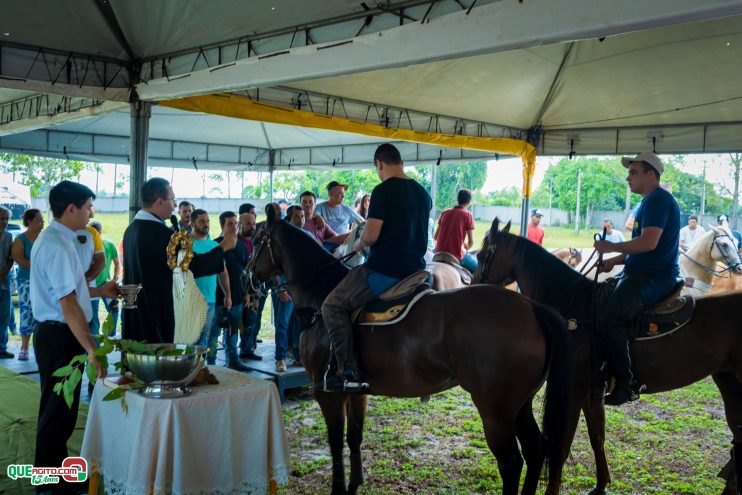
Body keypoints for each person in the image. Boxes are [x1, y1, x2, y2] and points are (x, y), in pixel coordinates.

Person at [29, 181, 118, 493]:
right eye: (87, 207)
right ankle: (49, 486)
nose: (90, 212)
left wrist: (98, 290)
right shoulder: (56, 243)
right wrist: (91, 348)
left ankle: (57, 479)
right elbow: (66, 303)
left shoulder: (61, 239)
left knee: (63, 412)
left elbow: (69, 292)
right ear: (71, 209)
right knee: (56, 412)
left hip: (63, 333)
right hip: (60, 336)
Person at [321, 144, 431, 392]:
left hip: (385, 271)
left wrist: (359, 244)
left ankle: (348, 372)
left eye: (377, 168)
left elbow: (371, 235)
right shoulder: (423, 193)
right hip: (416, 272)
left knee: (332, 306)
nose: (378, 172)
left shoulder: (383, 191)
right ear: (400, 162)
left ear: (380, 163)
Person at [594, 152, 680, 406]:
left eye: (633, 172)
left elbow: (649, 242)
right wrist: (616, 261)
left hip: (655, 276)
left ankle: (626, 382)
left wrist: (611, 247)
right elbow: (644, 248)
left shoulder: (657, 201)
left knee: (612, 315)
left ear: (650, 174)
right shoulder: (648, 202)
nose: (628, 177)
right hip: (640, 271)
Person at [122, 178, 236, 343]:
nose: (174, 205)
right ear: (159, 201)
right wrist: (223, 247)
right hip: (155, 315)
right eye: (172, 200)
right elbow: (193, 266)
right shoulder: (158, 233)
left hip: (138, 312)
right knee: (155, 362)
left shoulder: (132, 229)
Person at [190, 209, 230, 363]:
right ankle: (191, 372)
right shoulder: (186, 244)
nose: (206, 224)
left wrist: (228, 294)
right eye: (202, 221)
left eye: (207, 221)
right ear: (193, 223)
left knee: (204, 340)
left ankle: (202, 369)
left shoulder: (214, 245)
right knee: (193, 340)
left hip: (211, 301)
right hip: (192, 302)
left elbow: (223, 272)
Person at [213, 211, 249, 371]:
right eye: (230, 223)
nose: (234, 226)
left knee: (232, 332)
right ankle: (210, 363)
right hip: (217, 299)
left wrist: (247, 293)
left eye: (236, 223)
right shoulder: (216, 245)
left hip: (237, 297)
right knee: (213, 334)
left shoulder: (241, 246)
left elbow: (245, 271)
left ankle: (233, 361)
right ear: (222, 226)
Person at [11, 208, 44, 360]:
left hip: (44, 282)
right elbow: (19, 259)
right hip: (26, 281)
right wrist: (40, 268)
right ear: (29, 221)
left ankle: (40, 347)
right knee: (26, 312)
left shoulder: (45, 238)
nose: (42, 222)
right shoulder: (20, 239)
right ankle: (24, 347)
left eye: (42, 219)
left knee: (42, 313)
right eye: (39, 219)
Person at [89, 220, 121, 336]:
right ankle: (95, 344)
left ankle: (110, 334)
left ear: (100, 232)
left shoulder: (109, 245)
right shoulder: (85, 247)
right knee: (93, 318)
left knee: (114, 308)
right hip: (91, 287)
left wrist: (115, 278)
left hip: (105, 284)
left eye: (96, 234)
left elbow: (117, 263)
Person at [434, 189, 477, 273]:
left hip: (438, 253)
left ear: (457, 199)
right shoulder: (468, 215)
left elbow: (435, 237)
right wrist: (466, 247)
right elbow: (471, 242)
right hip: (456, 256)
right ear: (469, 201)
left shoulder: (444, 212)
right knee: (479, 269)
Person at [0, 206, 13, 359]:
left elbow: (11, 257)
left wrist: (4, 272)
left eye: (7, 218)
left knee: (4, 316)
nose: (5, 221)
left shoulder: (9, 236)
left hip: (5, 281)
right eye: (2, 218)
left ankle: (2, 348)